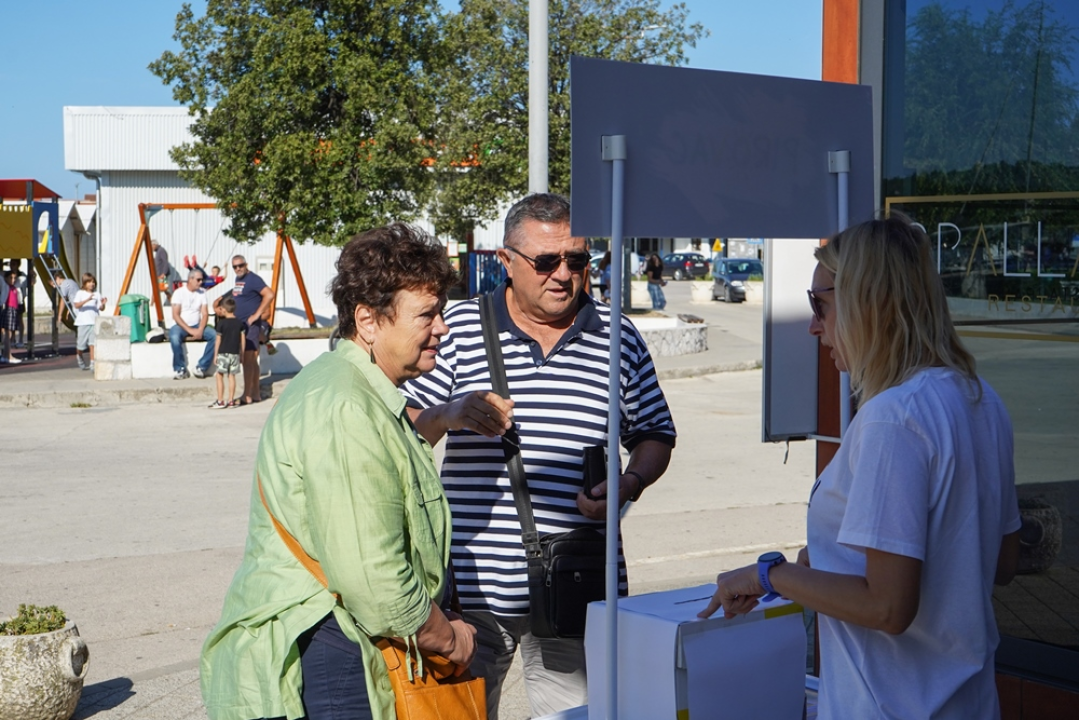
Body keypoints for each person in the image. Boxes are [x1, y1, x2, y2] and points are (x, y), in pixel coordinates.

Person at [698, 214, 1021, 720]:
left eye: (820, 305)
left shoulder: (894, 417)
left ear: (868, 301)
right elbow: (997, 562)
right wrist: (828, 558)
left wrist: (769, 576)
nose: (814, 326)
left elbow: (886, 607)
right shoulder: (980, 399)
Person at [402, 193, 677, 720]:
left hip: (577, 589)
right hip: (471, 596)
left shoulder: (617, 336)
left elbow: (655, 433)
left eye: (576, 259)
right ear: (506, 261)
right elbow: (404, 427)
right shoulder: (457, 328)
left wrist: (632, 481)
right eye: (547, 261)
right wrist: (449, 414)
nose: (564, 275)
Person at [201, 223, 475, 720]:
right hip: (333, 656)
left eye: (441, 312)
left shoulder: (351, 387)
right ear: (368, 321)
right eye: (426, 315)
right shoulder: (346, 405)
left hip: (340, 648)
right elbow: (376, 579)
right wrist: (449, 638)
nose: (442, 329)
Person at [214, 254, 273, 405]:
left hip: (250, 326)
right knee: (252, 361)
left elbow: (269, 294)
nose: (238, 268)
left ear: (246, 265)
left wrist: (256, 315)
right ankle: (255, 393)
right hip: (241, 325)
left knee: (248, 360)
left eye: (240, 265)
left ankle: (246, 395)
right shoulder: (239, 279)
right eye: (235, 266)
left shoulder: (253, 279)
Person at [169, 269, 218, 380]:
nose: (201, 282)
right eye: (198, 280)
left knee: (215, 336)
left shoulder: (202, 293)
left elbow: (205, 314)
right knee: (174, 337)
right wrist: (190, 330)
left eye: (202, 280)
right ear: (190, 279)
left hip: (197, 325)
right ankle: (180, 369)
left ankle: (201, 367)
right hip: (180, 326)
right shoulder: (179, 293)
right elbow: (176, 315)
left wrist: (200, 329)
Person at [209, 296, 243, 409]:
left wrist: (215, 355)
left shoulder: (221, 324)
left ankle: (220, 401)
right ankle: (231, 400)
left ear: (224, 309)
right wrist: (242, 353)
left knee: (219, 375)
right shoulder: (240, 323)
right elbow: (242, 340)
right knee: (231, 376)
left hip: (223, 353)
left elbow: (218, 340)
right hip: (235, 353)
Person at [73, 273, 107, 371]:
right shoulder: (80, 293)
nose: (92, 284)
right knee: (81, 346)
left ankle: (92, 363)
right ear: (84, 283)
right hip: (83, 322)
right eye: (89, 282)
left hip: (94, 322)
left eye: (93, 282)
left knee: (93, 344)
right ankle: (79, 356)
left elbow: (101, 308)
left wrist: (103, 304)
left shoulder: (97, 294)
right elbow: (76, 305)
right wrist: (87, 300)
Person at [1, 270, 21, 364]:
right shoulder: (6, 286)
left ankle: (5, 355)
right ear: (6, 278)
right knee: (8, 334)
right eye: (10, 278)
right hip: (9, 309)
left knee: (11, 334)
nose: (13, 280)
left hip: (14, 310)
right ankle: (8, 355)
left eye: (14, 278)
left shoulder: (15, 287)